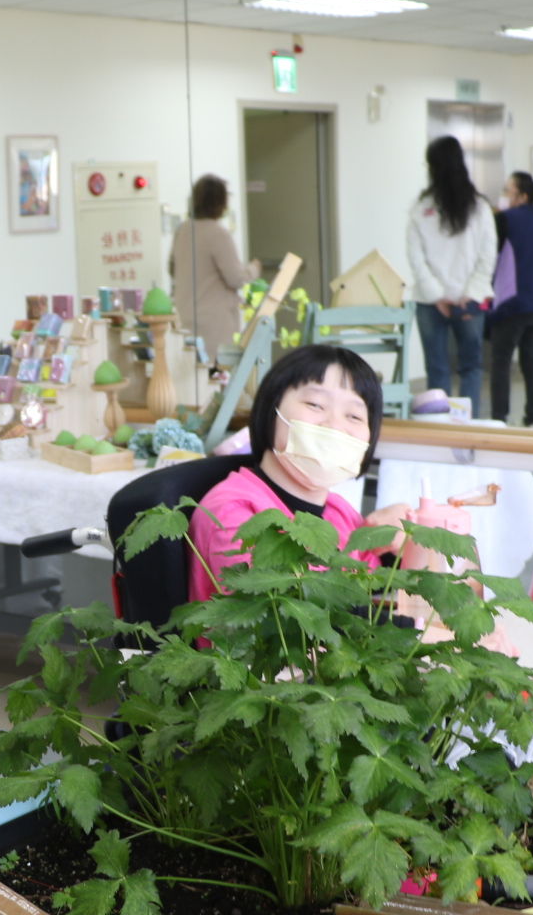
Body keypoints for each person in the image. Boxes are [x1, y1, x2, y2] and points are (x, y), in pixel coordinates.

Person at [187, 345, 409, 601]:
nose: (335, 425)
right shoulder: (233, 510)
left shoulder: (339, 512)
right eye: (315, 404)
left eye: (354, 416)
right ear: (272, 410)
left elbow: (373, 586)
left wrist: (396, 542)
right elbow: (282, 618)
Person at [406, 136, 497, 402]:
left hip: (430, 302)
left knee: (437, 371)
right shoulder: (479, 207)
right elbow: (488, 256)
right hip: (465, 301)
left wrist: (436, 295)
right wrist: (468, 295)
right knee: (471, 368)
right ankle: (469, 434)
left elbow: (415, 258)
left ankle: (442, 432)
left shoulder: (422, 207)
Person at [489, 171, 533, 427]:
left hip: (512, 302)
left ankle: (499, 418)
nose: (504, 197)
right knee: (531, 362)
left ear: (522, 196)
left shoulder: (506, 219)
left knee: (501, 361)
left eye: (508, 191)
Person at [170, 174, 252, 355]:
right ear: (220, 202)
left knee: (195, 375)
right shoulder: (217, 233)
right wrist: (252, 270)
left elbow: (172, 269)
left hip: (186, 316)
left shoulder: (182, 230)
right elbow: (236, 279)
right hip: (213, 323)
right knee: (217, 376)